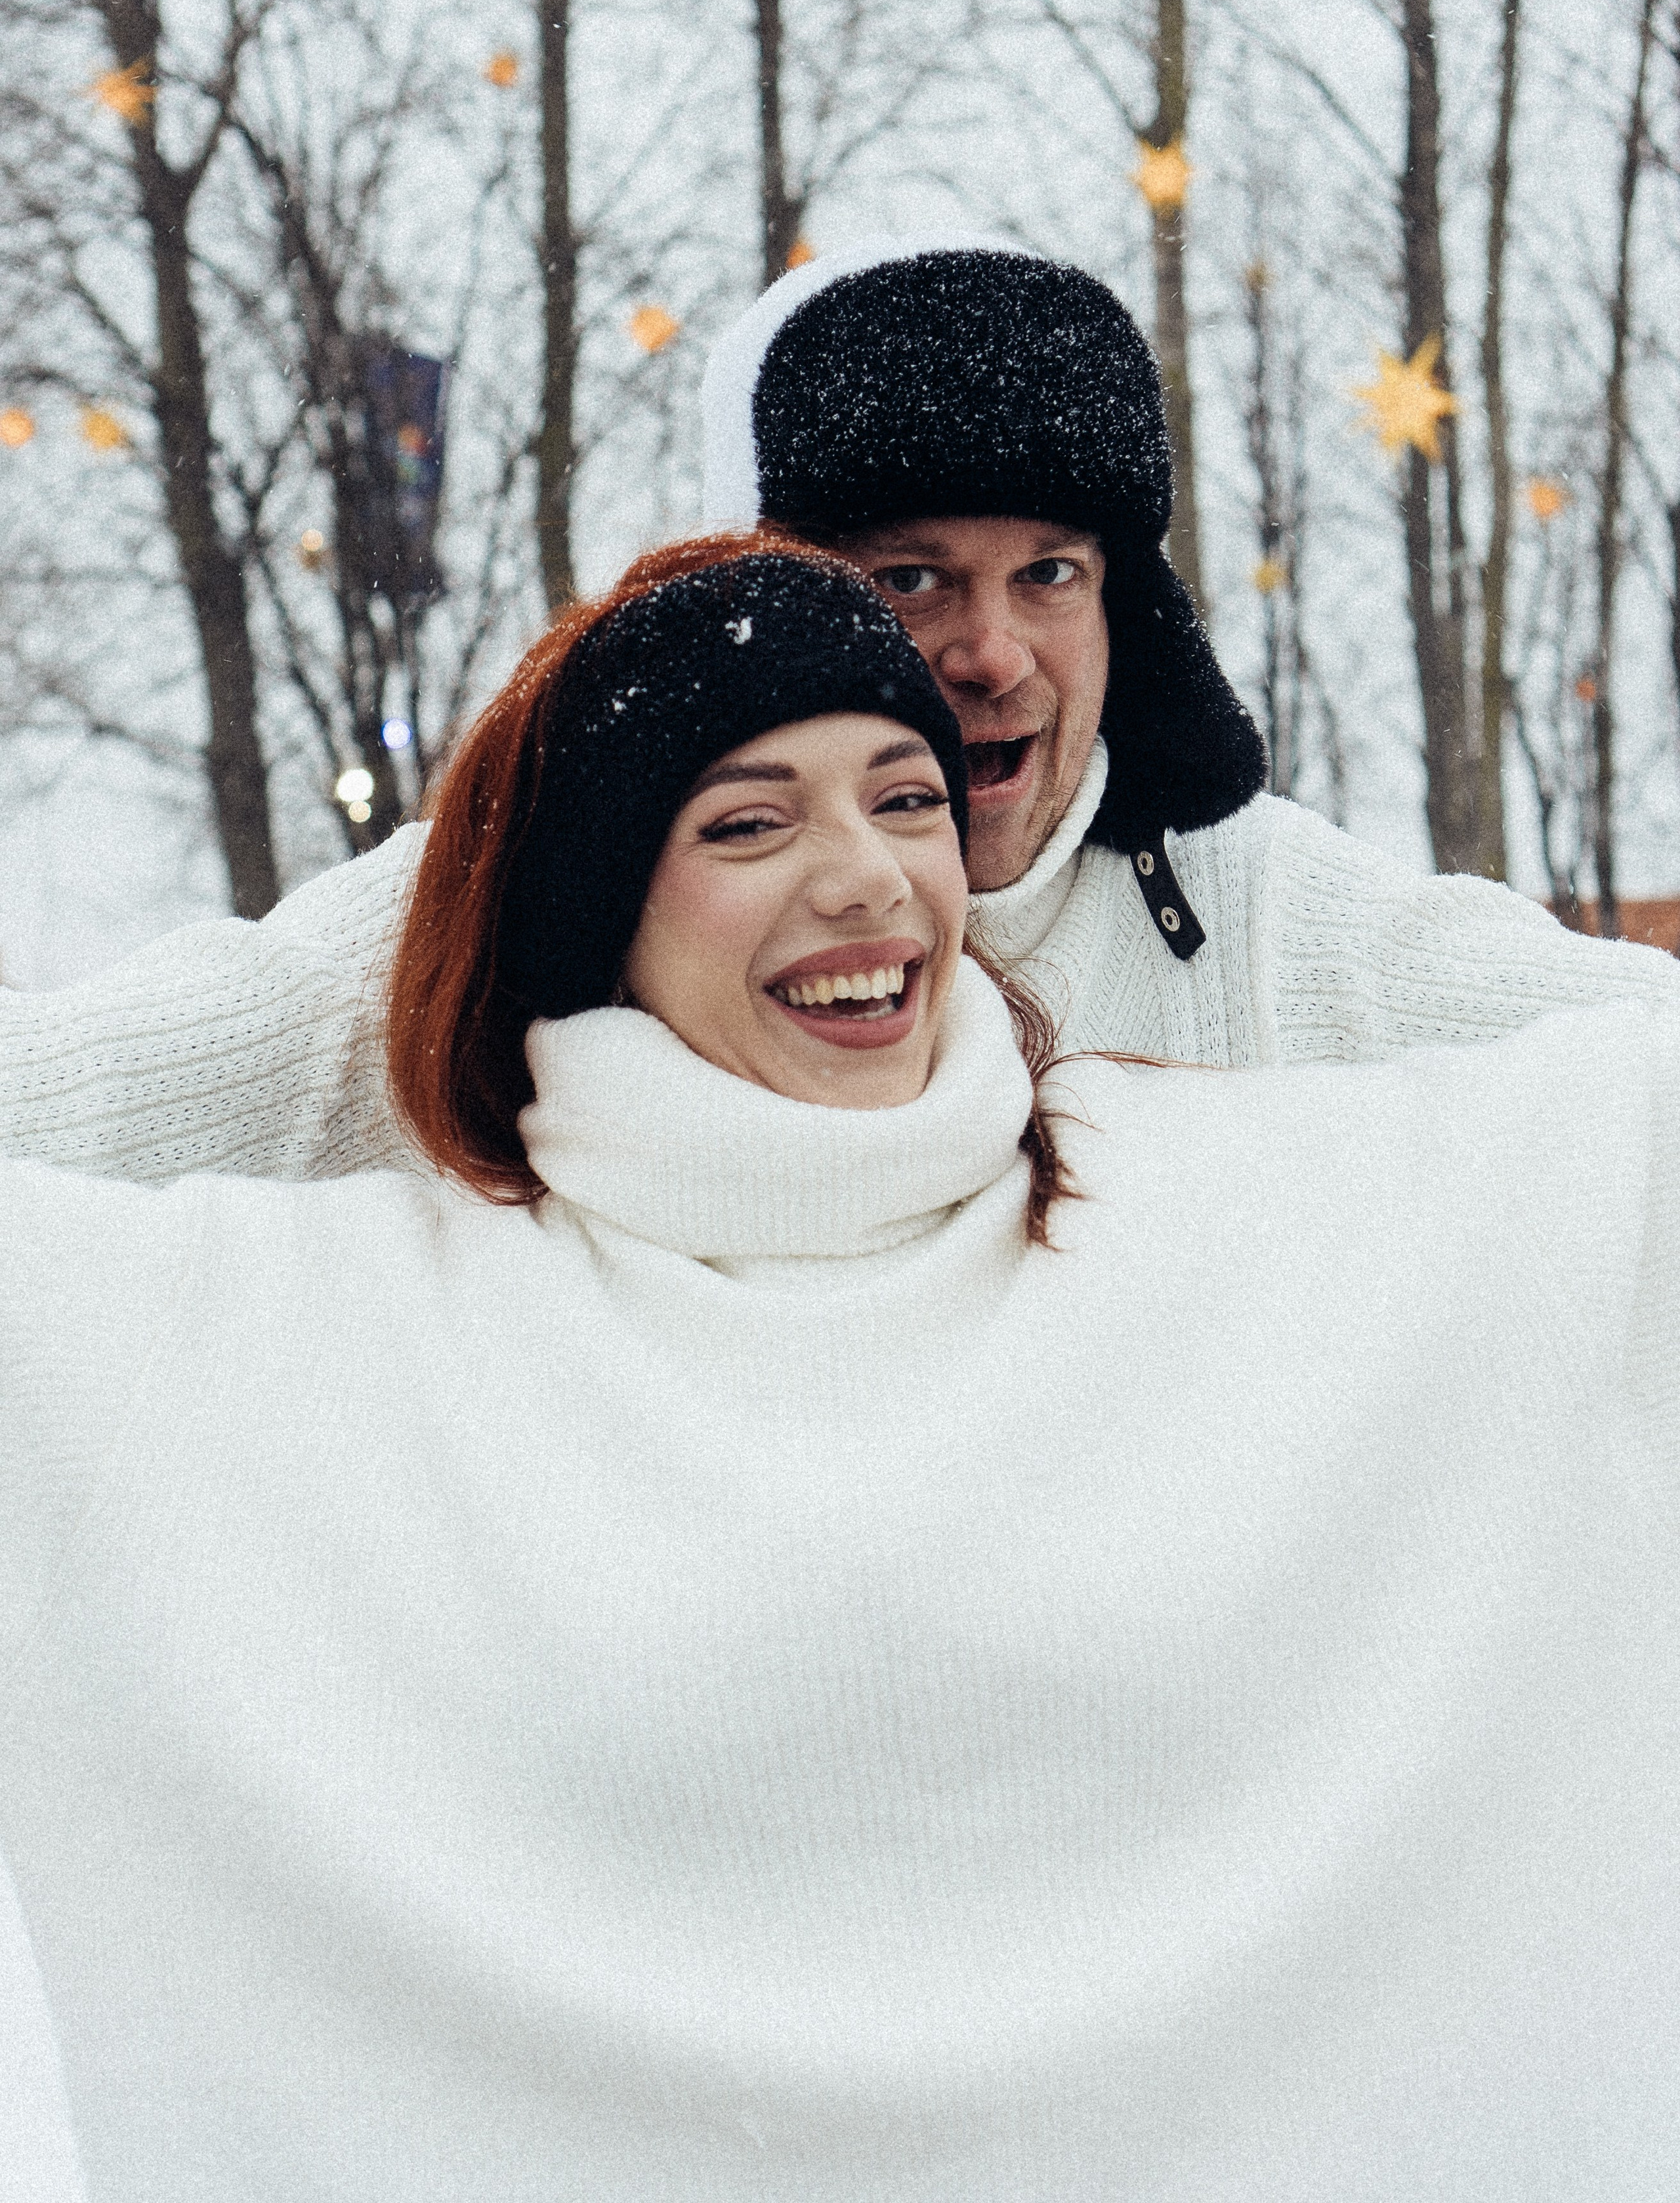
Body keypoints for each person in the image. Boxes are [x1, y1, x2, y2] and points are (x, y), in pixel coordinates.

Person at [2, 537, 1677, 2202]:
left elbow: (1623, 1135)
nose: (868, 880)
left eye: (904, 800)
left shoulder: (1226, 1202)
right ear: (591, 902)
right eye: (746, 822)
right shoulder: (351, 1328)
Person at [1, 236, 1678, 1186]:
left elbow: (1626, 1064)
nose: (992, 653)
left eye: (1050, 576)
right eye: (911, 582)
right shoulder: (576, 872)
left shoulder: (1253, 913)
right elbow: (98, 1090)